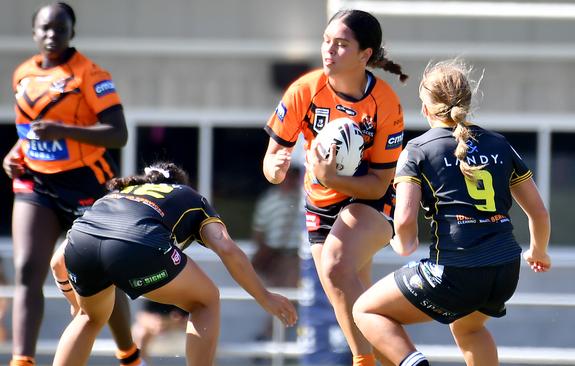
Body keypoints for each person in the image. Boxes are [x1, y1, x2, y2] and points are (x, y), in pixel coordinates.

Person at [352, 59, 551, 366]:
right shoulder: (500, 144)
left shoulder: (417, 150)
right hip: (505, 270)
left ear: (426, 109)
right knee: (468, 328)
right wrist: (539, 252)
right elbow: (539, 213)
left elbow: (404, 221)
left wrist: (401, 244)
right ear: (467, 103)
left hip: (457, 270)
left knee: (366, 310)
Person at [263, 9, 408, 366]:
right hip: (320, 206)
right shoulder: (304, 89)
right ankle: (394, 359)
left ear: (365, 55)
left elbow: (378, 185)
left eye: (341, 45)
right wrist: (276, 169)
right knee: (357, 301)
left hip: (370, 200)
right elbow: (270, 162)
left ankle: (375, 361)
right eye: (327, 42)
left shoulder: (385, 102)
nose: (329, 50)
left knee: (334, 266)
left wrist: (332, 178)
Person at [0, 3, 141, 365]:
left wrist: (63, 130)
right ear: (33, 32)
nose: (51, 35)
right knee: (27, 268)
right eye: (44, 28)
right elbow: (29, 131)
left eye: (60, 29)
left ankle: (129, 354)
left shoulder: (89, 75)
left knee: (101, 274)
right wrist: (14, 153)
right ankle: (22, 360)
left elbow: (118, 134)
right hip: (36, 183)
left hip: (84, 183)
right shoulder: (22, 74)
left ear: (71, 33)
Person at [51, 162, 297, 366]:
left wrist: (76, 303)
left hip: (81, 244)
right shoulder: (189, 196)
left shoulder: (117, 195)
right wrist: (264, 296)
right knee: (206, 300)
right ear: (179, 184)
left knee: (88, 318)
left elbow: (57, 261)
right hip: (136, 243)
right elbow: (226, 248)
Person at [251, 163, 304, 341]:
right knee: (277, 297)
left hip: (296, 257)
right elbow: (259, 231)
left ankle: (270, 337)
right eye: (288, 175)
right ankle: (273, 339)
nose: (291, 180)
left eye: (295, 176)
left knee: (290, 297)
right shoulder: (268, 200)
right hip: (273, 257)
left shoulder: (303, 199)